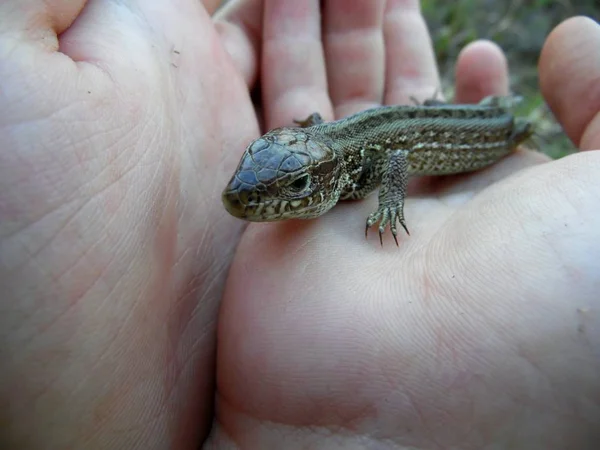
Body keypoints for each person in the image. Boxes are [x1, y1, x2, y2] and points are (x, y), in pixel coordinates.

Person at [1, 0, 598, 448]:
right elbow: (304, 145)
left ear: (318, 178)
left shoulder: (360, 163)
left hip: (487, 135)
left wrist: (392, 202)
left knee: (502, 117)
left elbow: (392, 157)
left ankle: (517, 122)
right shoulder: (320, 155)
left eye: (287, 189)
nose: (243, 199)